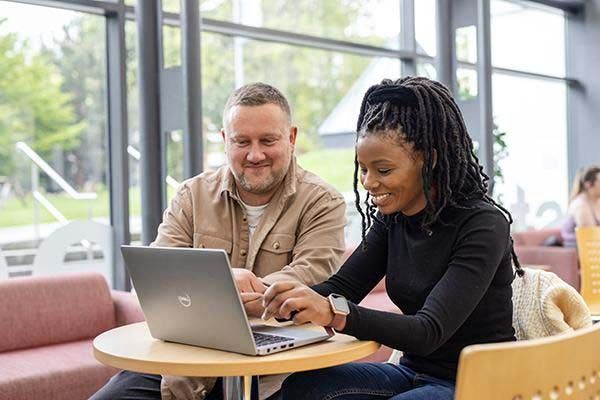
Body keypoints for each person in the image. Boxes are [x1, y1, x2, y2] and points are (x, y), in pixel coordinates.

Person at [261, 77, 522, 400]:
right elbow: (340, 289)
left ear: (430, 160)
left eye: (383, 170)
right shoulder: (392, 220)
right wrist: (274, 298)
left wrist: (332, 313)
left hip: (481, 386)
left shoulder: (483, 224)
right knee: (304, 386)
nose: (369, 183)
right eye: (363, 169)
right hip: (413, 374)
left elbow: (428, 331)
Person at [90, 83, 346, 400]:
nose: (255, 154)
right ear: (226, 141)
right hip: (188, 363)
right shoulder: (191, 196)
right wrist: (230, 286)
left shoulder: (323, 202)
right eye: (242, 142)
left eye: (268, 140)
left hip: (278, 371)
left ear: (291, 138)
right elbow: (158, 277)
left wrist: (217, 290)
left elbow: (312, 277)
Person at [560, 165, 600, 247]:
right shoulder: (581, 205)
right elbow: (591, 235)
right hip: (580, 248)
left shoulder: (597, 201)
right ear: (588, 185)